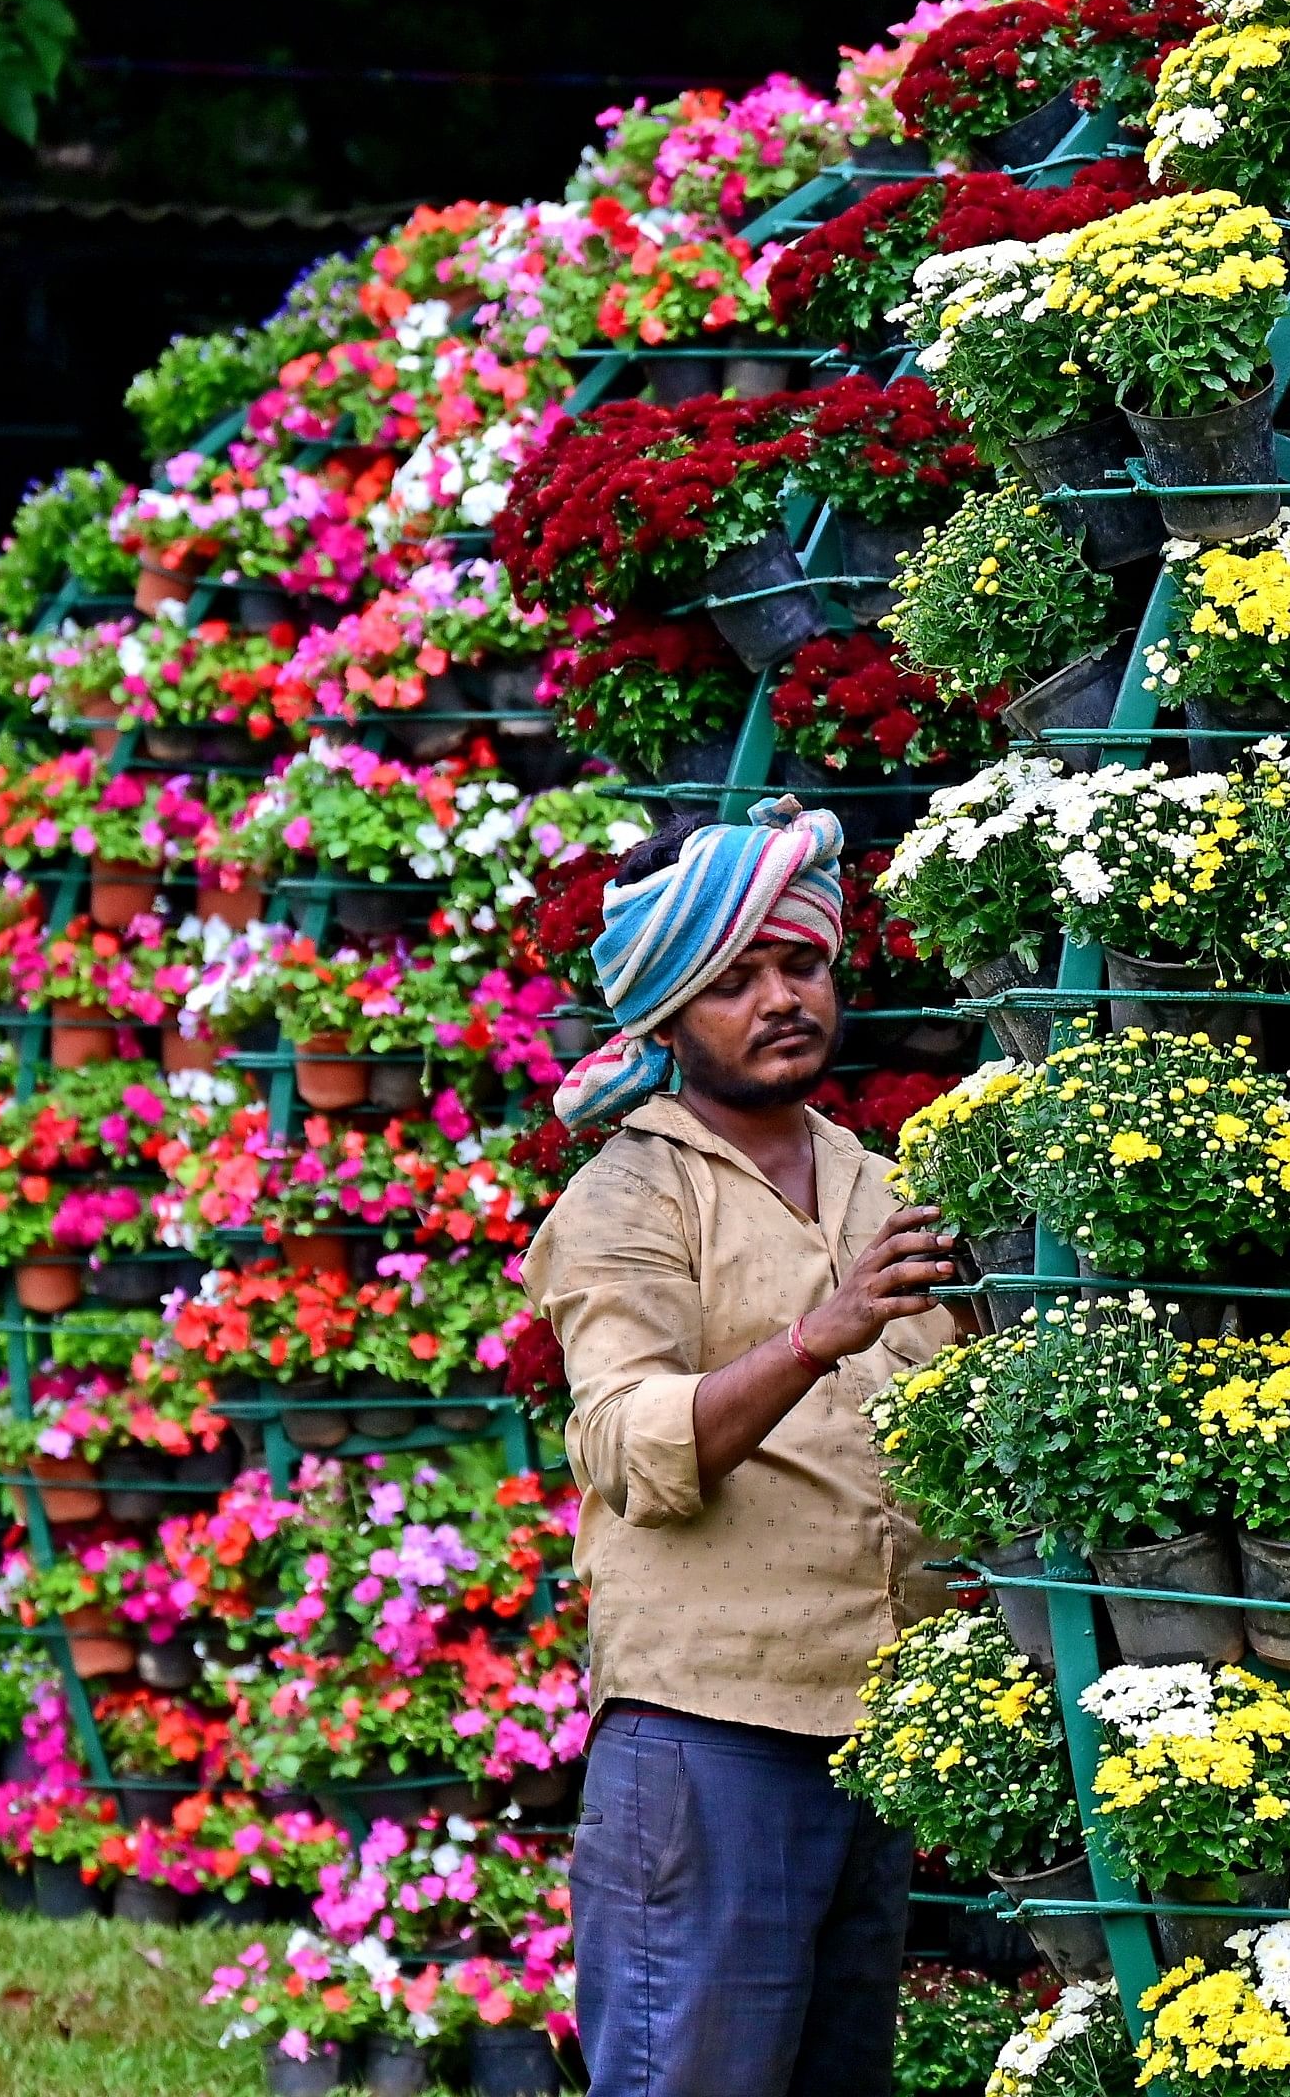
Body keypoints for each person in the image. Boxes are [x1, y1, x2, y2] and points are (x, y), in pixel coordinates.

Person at [526, 799, 968, 2096]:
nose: (779, 998)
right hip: (708, 1736)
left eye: (802, 964)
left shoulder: (886, 1188)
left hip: (872, 1728)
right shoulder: (627, 1197)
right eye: (734, 979)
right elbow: (624, 1442)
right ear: (664, 1009)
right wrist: (816, 1335)